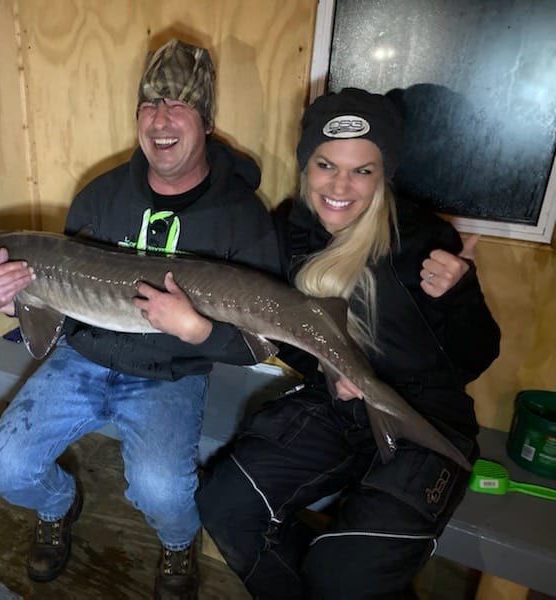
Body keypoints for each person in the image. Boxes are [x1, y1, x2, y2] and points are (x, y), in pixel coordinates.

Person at [0, 38, 279, 599]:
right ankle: (58, 506)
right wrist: (5, 298)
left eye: (179, 105)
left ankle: (178, 543)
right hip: (82, 357)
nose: (160, 120)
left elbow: (258, 347)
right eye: (149, 105)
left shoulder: (243, 218)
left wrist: (199, 331)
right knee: (2, 465)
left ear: (207, 120)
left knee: (162, 490)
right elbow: (58, 305)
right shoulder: (100, 194)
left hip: (173, 373)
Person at [196, 88, 501, 599]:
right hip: (335, 408)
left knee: (344, 574)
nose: (340, 185)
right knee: (225, 505)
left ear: (384, 174)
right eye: (325, 164)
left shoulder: (422, 239)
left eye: (362, 170)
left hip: (424, 415)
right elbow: (288, 343)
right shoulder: (284, 233)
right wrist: (331, 373)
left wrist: (460, 295)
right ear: (305, 164)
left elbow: (474, 359)